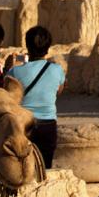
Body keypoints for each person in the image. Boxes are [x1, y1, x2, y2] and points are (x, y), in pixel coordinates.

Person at [6, 26, 64, 168]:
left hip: (23, 125)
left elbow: (8, 94)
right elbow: (59, 91)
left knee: (21, 167)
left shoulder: (15, 72)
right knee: (45, 167)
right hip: (48, 125)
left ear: (27, 45)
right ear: (48, 47)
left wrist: (8, 68)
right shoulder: (57, 69)